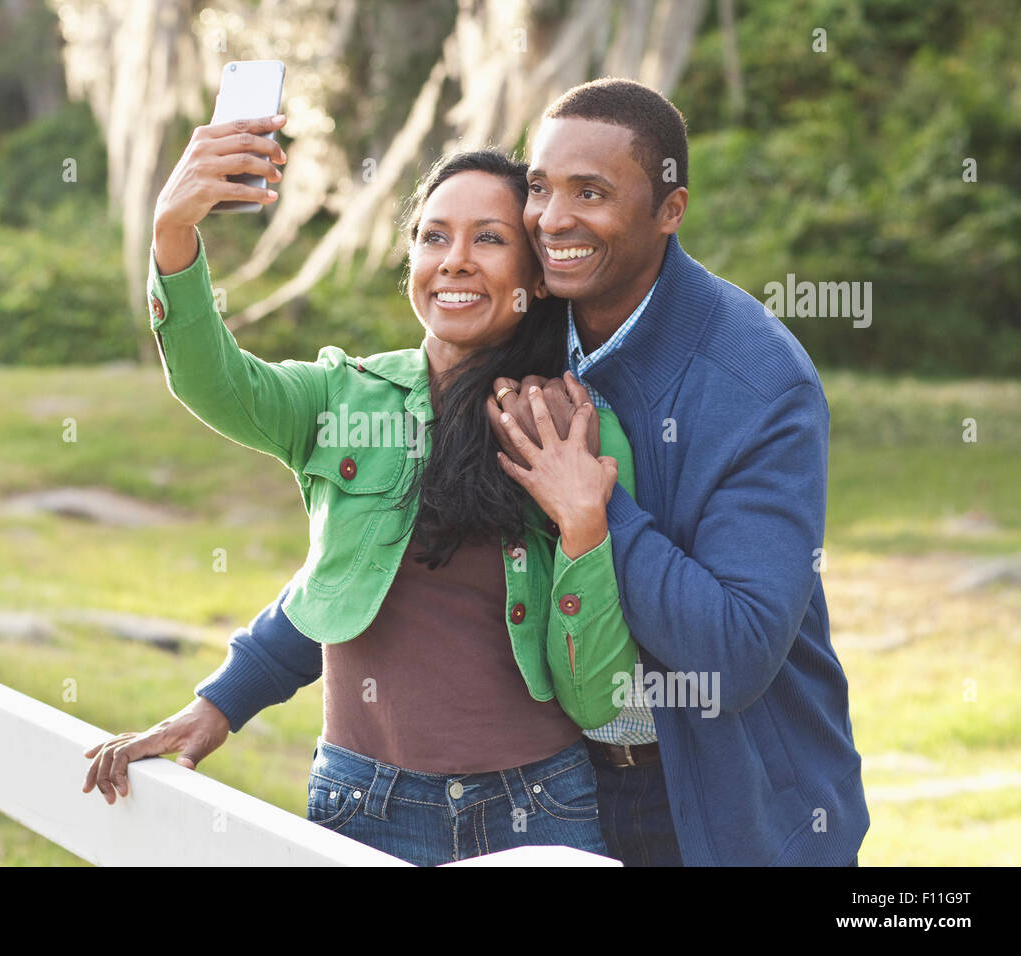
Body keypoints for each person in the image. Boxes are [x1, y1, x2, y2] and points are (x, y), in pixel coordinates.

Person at [118, 78, 870, 867]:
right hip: (554, 789)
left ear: (669, 209)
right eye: (541, 190)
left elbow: (737, 650)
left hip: (717, 800)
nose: (553, 219)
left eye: (592, 192)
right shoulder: (477, 375)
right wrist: (226, 698)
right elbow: (366, 574)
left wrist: (593, 510)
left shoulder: (744, 383)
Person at [83, 128, 643, 866]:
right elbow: (215, 383)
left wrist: (583, 526)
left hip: (538, 805)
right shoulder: (340, 397)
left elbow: (606, 691)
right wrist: (173, 231)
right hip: (363, 807)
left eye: (490, 239)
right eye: (434, 236)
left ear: (533, 277)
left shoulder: (569, 425)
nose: (455, 261)